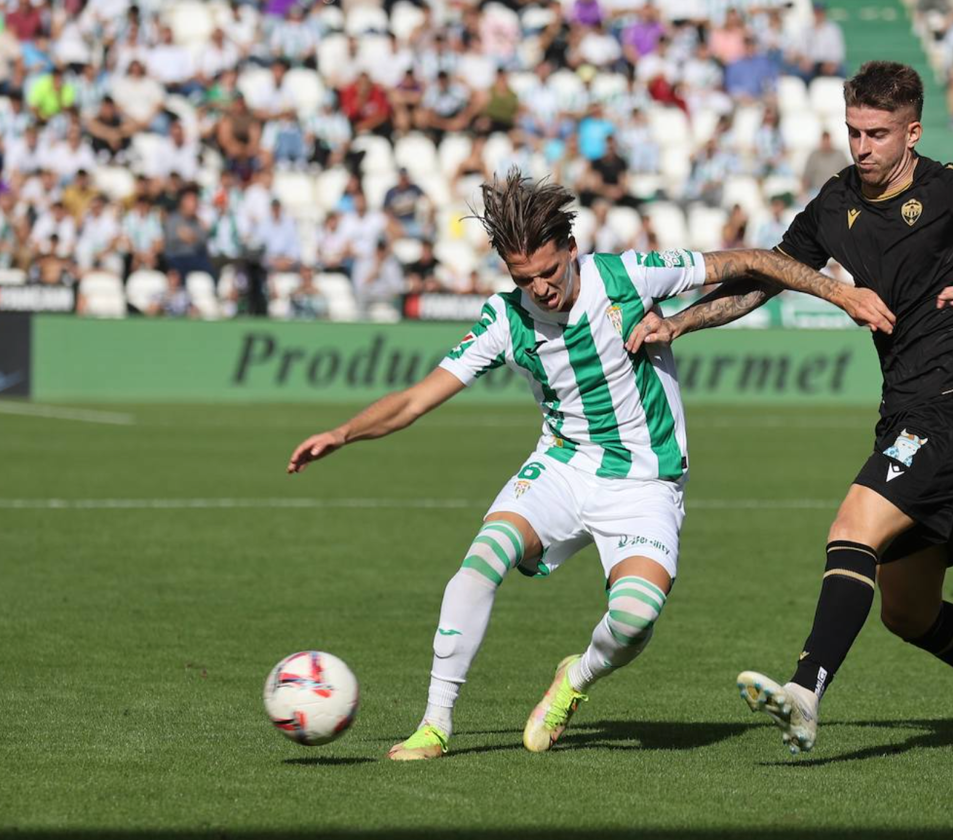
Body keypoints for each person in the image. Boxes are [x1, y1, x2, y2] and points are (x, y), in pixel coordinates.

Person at [286, 169, 892, 761]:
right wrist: (344, 432)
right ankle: (435, 725)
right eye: (525, 278)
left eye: (549, 272)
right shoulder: (505, 319)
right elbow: (418, 398)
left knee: (633, 619)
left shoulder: (627, 276)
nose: (541, 288)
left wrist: (842, 294)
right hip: (561, 467)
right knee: (481, 561)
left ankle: (573, 679)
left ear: (571, 249)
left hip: (646, 482)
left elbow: (755, 261)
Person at [627, 62, 953, 754]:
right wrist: (679, 323)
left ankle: (804, 692)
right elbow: (766, 276)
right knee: (909, 612)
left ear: (912, 132)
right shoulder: (836, 200)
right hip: (905, 416)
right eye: (853, 131)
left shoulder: (952, 189)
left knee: (851, 526)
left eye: (878, 134)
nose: (862, 147)